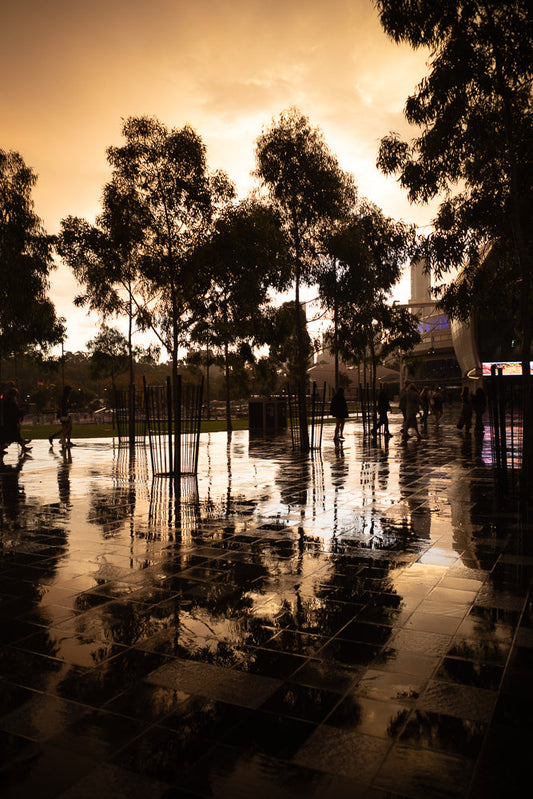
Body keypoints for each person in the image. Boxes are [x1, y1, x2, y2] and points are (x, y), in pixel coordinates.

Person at [0, 386, 32, 455]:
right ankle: (23, 447)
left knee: (15, 436)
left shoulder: (7, 401)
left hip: (10, 421)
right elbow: (13, 412)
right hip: (11, 422)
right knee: (13, 436)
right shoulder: (10, 402)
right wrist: (20, 412)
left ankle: (24, 447)